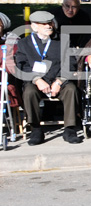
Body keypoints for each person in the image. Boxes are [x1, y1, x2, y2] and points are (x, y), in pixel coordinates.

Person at [14, 11, 81, 145]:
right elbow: (22, 65)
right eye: (44, 24)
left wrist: (59, 80)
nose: (48, 26)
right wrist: (37, 80)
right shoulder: (24, 43)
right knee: (29, 92)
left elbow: (70, 63)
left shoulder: (63, 40)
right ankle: (36, 128)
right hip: (36, 81)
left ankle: (69, 129)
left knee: (71, 90)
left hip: (58, 78)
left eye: (50, 23)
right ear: (34, 26)